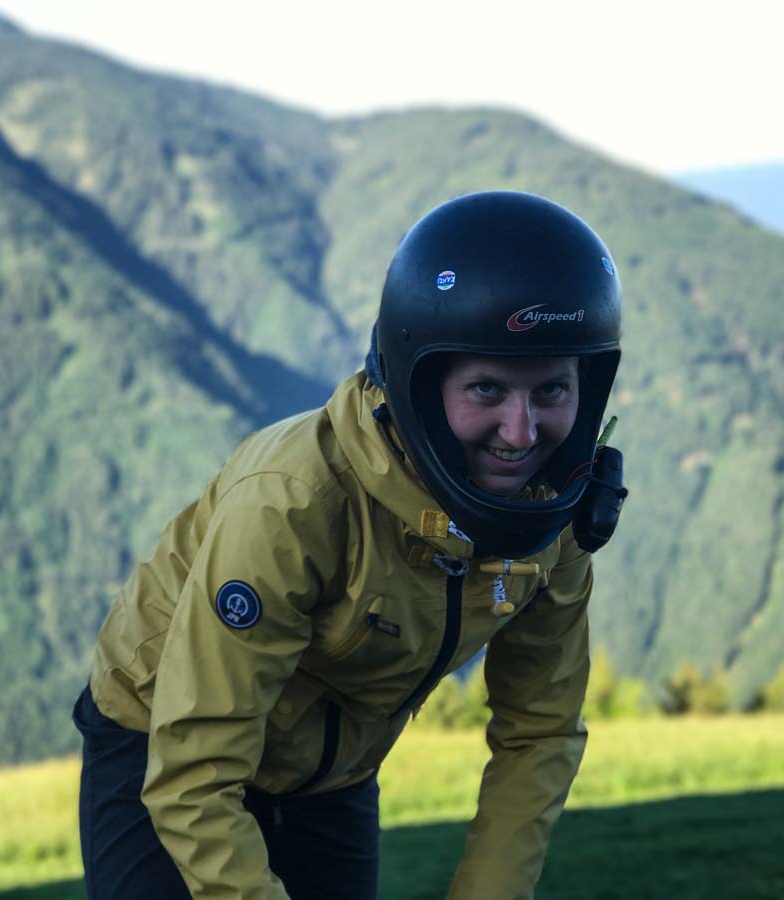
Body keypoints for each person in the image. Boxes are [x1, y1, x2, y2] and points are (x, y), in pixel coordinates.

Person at [73, 190, 626, 900]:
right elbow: (195, 777)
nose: (520, 433)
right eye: (487, 389)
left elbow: (539, 733)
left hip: (332, 772)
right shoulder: (295, 499)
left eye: (551, 391)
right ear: (419, 385)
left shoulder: (551, 513)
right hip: (163, 741)